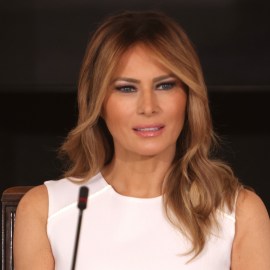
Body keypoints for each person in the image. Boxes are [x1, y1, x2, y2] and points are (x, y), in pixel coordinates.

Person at [14, 11, 270, 270]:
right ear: (98, 102)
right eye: (126, 88)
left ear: (189, 96)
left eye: (164, 85)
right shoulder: (44, 210)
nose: (148, 107)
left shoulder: (240, 213)